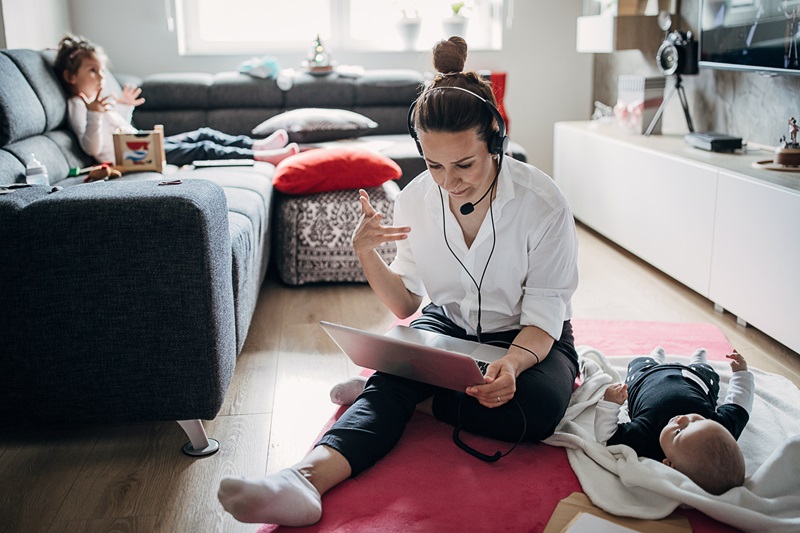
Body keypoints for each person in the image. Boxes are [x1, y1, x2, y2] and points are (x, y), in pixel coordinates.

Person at [217, 36, 580, 526]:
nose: (449, 182)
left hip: (528, 336)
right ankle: (302, 478)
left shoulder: (544, 202)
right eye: (434, 165)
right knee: (399, 366)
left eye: (465, 164)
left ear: (495, 139)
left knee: (539, 410)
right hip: (448, 324)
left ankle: (401, 392)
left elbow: (543, 316)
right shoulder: (415, 198)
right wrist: (366, 254)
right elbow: (407, 304)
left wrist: (513, 365)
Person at [54, 34, 298, 167]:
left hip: (139, 145)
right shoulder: (78, 106)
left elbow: (120, 129)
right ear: (70, 76)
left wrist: (123, 106)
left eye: (102, 71)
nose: (101, 77)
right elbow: (93, 148)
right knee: (203, 149)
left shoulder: (96, 102)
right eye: (92, 71)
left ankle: (256, 145)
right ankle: (261, 158)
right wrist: (95, 113)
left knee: (204, 133)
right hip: (133, 158)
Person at [594, 347, 755, 495]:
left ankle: (655, 357)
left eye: (679, 432)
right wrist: (742, 373)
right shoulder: (719, 429)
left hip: (645, 377)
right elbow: (740, 405)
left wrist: (609, 403)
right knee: (707, 371)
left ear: (669, 464)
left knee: (637, 364)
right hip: (695, 377)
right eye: (697, 421)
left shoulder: (645, 439)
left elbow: (606, 436)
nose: (684, 418)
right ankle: (699, 360)